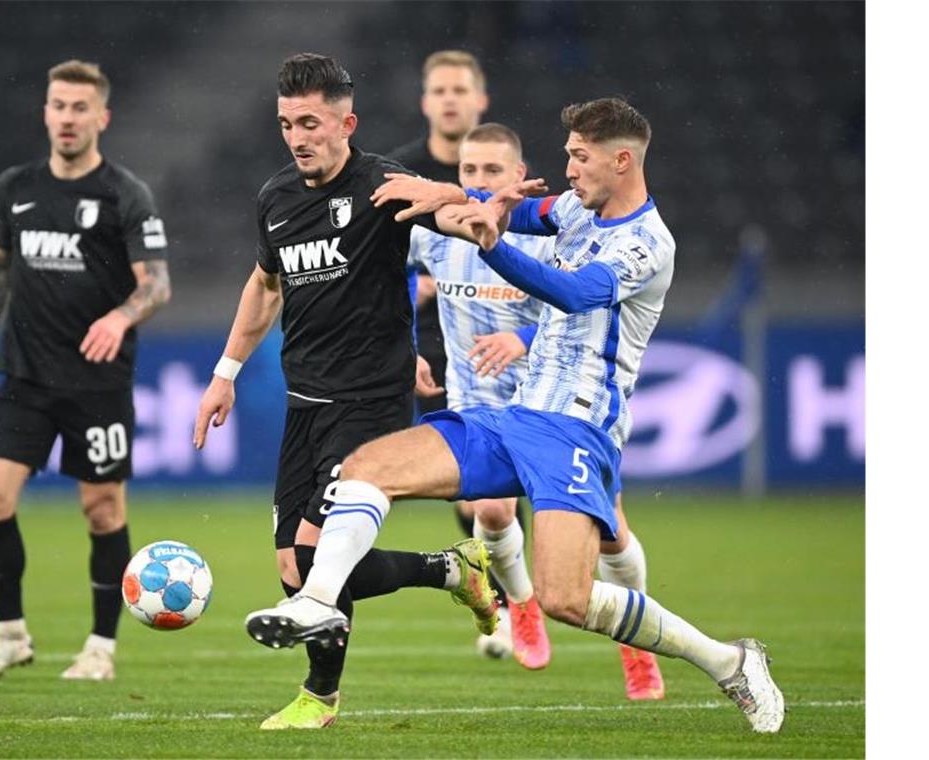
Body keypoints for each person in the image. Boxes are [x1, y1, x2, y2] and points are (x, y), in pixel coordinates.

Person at [246, 97, 785, 733]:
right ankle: (316, 600)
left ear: (621, 160)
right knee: (369, 465)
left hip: (577, 429)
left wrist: (492, 243)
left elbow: (575, 291)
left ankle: (729, 661)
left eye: (579, 157)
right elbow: (522, 210)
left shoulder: (647, 242)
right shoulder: (577, 209)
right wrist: (455, 193)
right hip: (515, 415)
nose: (569, 168)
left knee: (566, 598)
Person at [193, 53, 498, 731]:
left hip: (372, 402)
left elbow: (446, 211)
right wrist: (225, 373)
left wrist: (465, 206)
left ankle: (320, 699)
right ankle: (451, 571)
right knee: (291, 571)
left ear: (345, 122)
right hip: (307, 403)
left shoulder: (383, 183)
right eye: (285, 124)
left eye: (309, 122)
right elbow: (265, 284)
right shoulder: (276, 198)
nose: (297, 136)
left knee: (313, 554)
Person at [416, 122, 665, 697]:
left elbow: (581, 307)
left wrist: (521, 340)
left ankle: (637, 642)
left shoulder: (555, 234)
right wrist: (408, 341)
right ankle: (521, 604)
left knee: (611, 534)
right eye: (468, 171)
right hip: (476, 390)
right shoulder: (436, 232)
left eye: (492, 172)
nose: (478, 181)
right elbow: (399, 281)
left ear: (518, 174)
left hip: (553, 394)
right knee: (495, 510)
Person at [0, 60, 171, 682]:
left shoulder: (124, 194)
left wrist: (119, 318)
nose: (68, 118)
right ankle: (10, 635)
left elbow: (156, 285)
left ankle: (100, 648)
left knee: (102, 510)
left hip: (97, 385)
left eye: (81, 107)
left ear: (101, 117)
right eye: (58, 105)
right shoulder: (16, 186)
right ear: (46, 112)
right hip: (24, 377)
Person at [388, 50, 533, 657]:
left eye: (459, 90)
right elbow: (383, 264)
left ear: (480, 101)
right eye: (439, 90)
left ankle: (512, 597)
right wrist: (405, 336)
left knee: (507, 489)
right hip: (435, 344)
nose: (449, 99)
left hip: (515, 347)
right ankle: (506, 603)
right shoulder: (404, 174)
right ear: (426, 101)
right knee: (475, 493)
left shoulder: (514, 191)